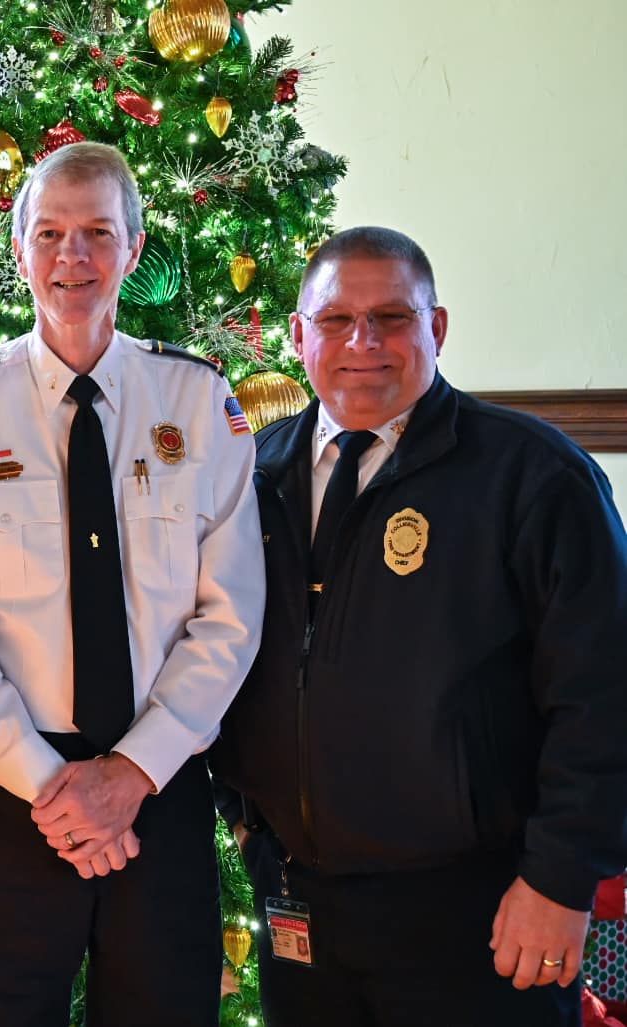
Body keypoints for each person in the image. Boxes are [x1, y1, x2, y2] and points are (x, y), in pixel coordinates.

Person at [209, 226, 627, 1026]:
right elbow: (214, 657)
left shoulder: (531, 475)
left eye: (392, 318)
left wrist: (559, 880)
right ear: (299, 335)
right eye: (335, 320)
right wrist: (249, 817)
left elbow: (603, 690)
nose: (362, 342)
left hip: (486, 910)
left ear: (435, 329)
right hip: (303, 909)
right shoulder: (250, 477)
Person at [0, 141, 266, 1025]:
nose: (74, 257)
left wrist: (131, 774)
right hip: (8, 799)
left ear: (133, 251)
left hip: (160, 790)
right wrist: (47, 783)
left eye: (99, 232)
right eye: (51, 233)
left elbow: (233, 614)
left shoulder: (197, 403)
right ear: (18, 248)